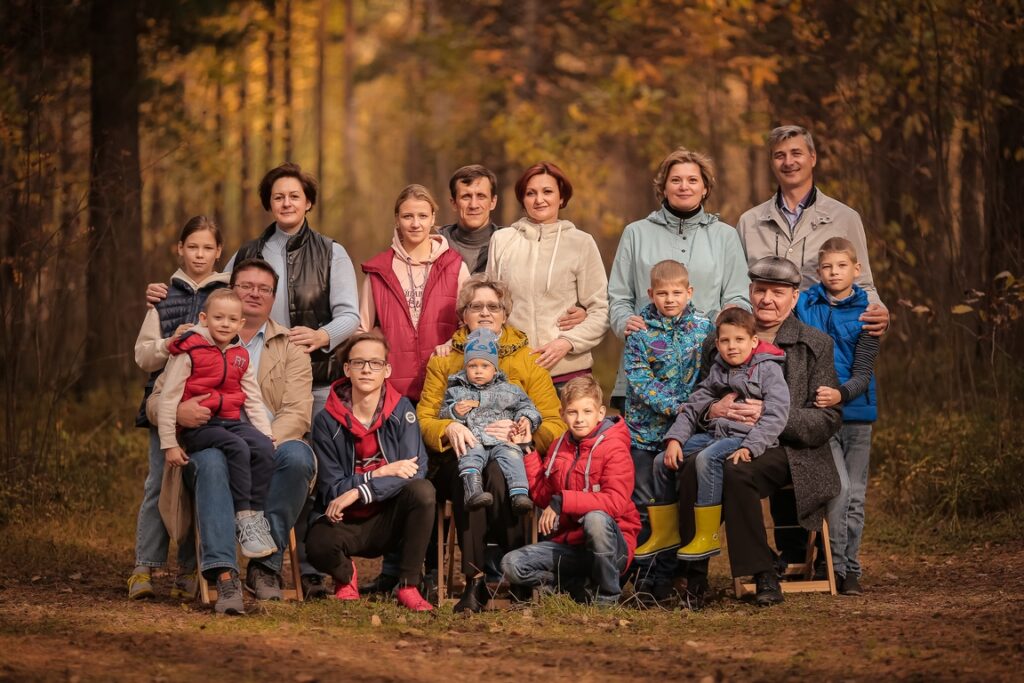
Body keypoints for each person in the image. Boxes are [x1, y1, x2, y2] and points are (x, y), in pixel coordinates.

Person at [669, 256, 842, 608]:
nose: (767, 299)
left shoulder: (814, 344)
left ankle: (763, 574)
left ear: (794, 297)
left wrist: (778, 415)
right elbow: (702, 397)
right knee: (689, 467)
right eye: (760, 290)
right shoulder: (719, 341)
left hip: (789, 448)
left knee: (737, 471)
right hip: (726, 436)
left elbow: (827, 419)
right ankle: (694, 576)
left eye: (778, 293)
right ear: (750, 292)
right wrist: (711, 411)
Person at [147, 258, 316, 615]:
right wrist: (179, 413)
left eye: (264, 289)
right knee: (211, 464)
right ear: (229, 291)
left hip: (260, 440)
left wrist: (263, 440)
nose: (254, 293)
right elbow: (156, 400)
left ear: (273, 297)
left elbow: (299, 413)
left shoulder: (291, 346)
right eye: (245, 286)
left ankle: (264, 566)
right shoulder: (193, 339)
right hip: (205, 438)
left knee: (298, 458)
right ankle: (224, 574)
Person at [416, 274, 567, 612]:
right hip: (458, 456)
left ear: (504, 314)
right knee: (467, 478)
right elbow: (425, 417)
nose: (484, 312)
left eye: (493, 306)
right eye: (475, 306)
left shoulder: (528, 360)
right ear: (463, 315)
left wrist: (527, 432)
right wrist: (448, 429)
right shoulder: (443, 360)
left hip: (509, 453)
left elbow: (555, 423)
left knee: (500, 474)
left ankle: (517, 574)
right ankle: (475, 581)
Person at [637, 308, 790, 562]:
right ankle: (666, 532)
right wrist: (675, 440)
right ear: (717, 344)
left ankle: (707, 535)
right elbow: (693, 407)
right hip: (717, 434)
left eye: (739, 340)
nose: (732, 347)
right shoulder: (718, 370)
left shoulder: (768, 369)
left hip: (744, 438)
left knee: (706, 458)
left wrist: (751, 447)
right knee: (660, 460)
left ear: (754, 341)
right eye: (725, 341)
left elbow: (777, 414)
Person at [129, 216, 230, 600]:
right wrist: (173, 341)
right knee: (158, 484)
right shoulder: (162, 297)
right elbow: (142, 356)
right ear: (180, 249)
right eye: (193, 247)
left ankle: (188, 571)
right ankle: (144, 567)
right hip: (165, 405)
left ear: (219, 252)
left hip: (209, 407)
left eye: (208, 248)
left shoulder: (226, 294)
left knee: (196, 487)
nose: (200, 255)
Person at [608, 148, 751, 406]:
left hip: (708, 363)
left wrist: (728, 317)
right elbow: (618, 296)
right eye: (676, 180)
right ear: (663, 187)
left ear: (705, 188)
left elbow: (739, 296)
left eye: (692, 180)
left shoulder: (725, 236)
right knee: (642, 445)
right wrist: (624, 323)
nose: (684, 186)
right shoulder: (635, 233)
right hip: (646, 366)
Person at [305, 332, 436, 612]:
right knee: (316, 542)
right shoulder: (326, 421)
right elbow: (331, 487)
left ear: (387, 370)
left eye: (375, 363)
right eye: (359, 362)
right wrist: (377, 474)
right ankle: (345, 577)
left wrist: (361, 489)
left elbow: (415, 471)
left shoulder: (403, 411)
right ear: (346, 369)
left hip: (389, 518)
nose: (366, 369)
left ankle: (408, 586)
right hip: (345, 518)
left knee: (423, 493)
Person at [157, 289, 278, 559]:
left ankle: (253, 517)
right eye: (218, 317)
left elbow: (253, 400)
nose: (225, 323)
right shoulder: (190, 351)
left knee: (261, 447)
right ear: (204, 318)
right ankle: (241, 515)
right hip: (198, 428)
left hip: (229, 421)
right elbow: (168, 399)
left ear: (240, 324)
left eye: (232, 319)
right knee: (237, 447)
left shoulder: (240, 355)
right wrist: (170, 444)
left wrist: (267, 434)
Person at [735, 125, 889, 337]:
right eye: (780, 155)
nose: (788, 162)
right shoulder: (749, 222)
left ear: (813, 158)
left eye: (796, 153)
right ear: (772, 163)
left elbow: (862, 283)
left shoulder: (845, 218)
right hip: (765, 343)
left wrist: (878, 310)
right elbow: (738, 289)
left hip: (827, 339)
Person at [501, 376, 640, 606]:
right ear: (562, 413)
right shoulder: (558, 446)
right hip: (570, 547)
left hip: (611, 547)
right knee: (511, 565)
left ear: (600, 413)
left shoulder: (614, 447)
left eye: (587, 411)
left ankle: (607, 598)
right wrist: (527, 450)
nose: (579, 419)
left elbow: (615, 502)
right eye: (572, 412)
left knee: (595, 519)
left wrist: (562, 501)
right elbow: (541, 495)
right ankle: (578, 589)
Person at [621, 259, 713, 600]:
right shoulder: (639, 330)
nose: (670, 299)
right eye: (662, 293)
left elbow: (711, 375)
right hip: (645, 435)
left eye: (677, 292)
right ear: (651, 294)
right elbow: (639, 380)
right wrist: (679, 406)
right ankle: (645, 576)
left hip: (689, 433)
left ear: (689, 292)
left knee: (680, 501)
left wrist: (694, 411)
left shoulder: (705, 328)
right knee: (646, 503)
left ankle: (679, 572)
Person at [796, 237, 879, 596]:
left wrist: (839, 395)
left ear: (856, 270)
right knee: (838, 490)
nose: (834, 273)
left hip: (856, 414)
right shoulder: (804, 305)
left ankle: (851, 570)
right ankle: (835, 565)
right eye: (827, 267)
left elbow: (863, 373)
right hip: (819, 416)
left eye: (841, 266)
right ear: (818, 271)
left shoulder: (869, 315)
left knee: (856, 496)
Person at [487, 162, 609, 386]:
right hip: (513, 376)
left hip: (570, 375)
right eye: (530, 193)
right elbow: (490, 305)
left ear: (561, 198)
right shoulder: (502, 241)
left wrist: (567, 342)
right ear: (522, 200)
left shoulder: (581, 243)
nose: (539, 199)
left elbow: (600, 310)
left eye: (547, 192)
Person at [359, 184, 469, 402]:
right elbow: (363, 330)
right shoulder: (378, 271)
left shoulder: (455, 266)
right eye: (408, 216)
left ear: (432, 218)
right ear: (397, 219)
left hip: (447, 387)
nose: (416, 223)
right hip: (392, 391)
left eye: (422, 216)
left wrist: (452, 344)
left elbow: (470, 325)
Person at [439, 327, 542, 514]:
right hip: (474, 438)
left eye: (484, 366)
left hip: (502, 439)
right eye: (473, 366)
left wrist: (525, 418)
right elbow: (443, 415)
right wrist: (455, 412)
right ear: (465, 367)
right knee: (469, 453)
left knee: (512, 455)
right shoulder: (456, 390)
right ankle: (473, 491)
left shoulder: (509, 390)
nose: (478, 371)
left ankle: (519, 494)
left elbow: (527, 406)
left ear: (495, 370)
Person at [438, 165, 502, 274]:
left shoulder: (508, 244)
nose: (473, 205)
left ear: (493, 202)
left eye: (481, 196)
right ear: (453, 203)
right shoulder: (437, 244)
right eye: (466, 196)